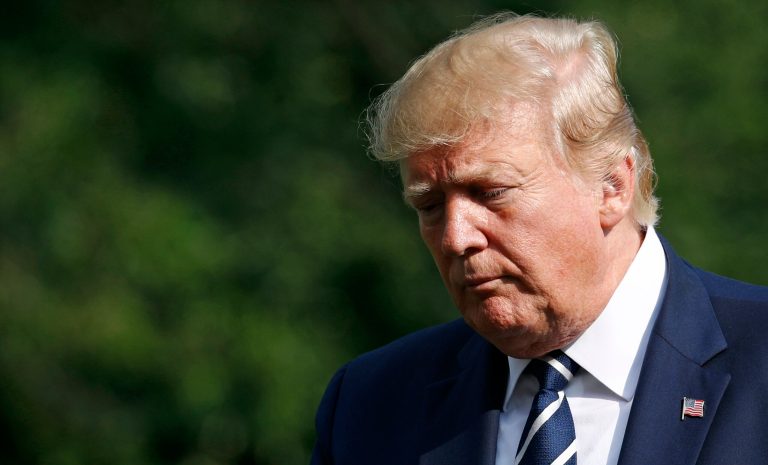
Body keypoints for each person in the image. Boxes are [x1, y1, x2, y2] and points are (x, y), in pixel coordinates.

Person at [311, 13, 768, 465]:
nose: (455, 237)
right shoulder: (370, 406)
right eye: (430, 206)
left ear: (612, 186)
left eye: (491, 192)